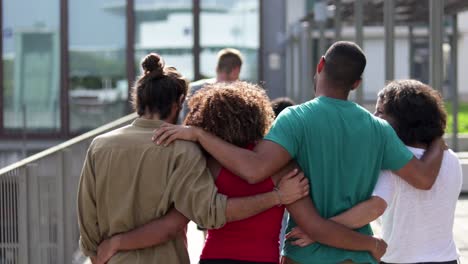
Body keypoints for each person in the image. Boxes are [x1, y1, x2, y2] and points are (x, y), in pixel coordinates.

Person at [153, 42, 446, 264]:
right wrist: (437, 141)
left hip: (305, 255)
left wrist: (200, 134)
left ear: (320, 66)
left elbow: (255, 169)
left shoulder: (296, 119)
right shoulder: (377, 128)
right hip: (358, 255)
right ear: (356, 84)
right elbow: (423, 179)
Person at [77, 53, 309, 264]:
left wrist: (101, 251)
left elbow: (86, 216)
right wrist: (277, 197)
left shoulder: (99, 146)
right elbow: (199, 215)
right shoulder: (184, 150)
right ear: (179, 102)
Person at [287, 80, 462, 264]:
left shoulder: (395, 161)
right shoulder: (449, 157)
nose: (374, 117)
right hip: (448, 258)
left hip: (401, 260)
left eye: (380, 112)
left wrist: (319, 231)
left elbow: (373, 208)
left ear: (404, 119)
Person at [181, 48, 243, 119]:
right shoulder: (240, 96)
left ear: (217, 68)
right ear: (236, 71)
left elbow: (183, 121)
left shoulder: (193, 89)